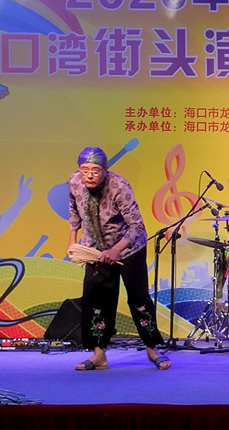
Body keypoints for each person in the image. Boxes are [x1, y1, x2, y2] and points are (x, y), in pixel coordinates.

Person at [66, 146, 170, 371]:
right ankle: (99, 355)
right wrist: (72, 241)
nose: (89, 175)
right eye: (85, 170)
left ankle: (152, 348)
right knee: (96, 300)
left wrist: (115, 251)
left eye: (95, 170)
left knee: (138, 298)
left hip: (127, 248)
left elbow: (137, 226)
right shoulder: (74, 182)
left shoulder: (119, 186)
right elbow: (74, 212)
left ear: (105, 170)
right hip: (95, 250)